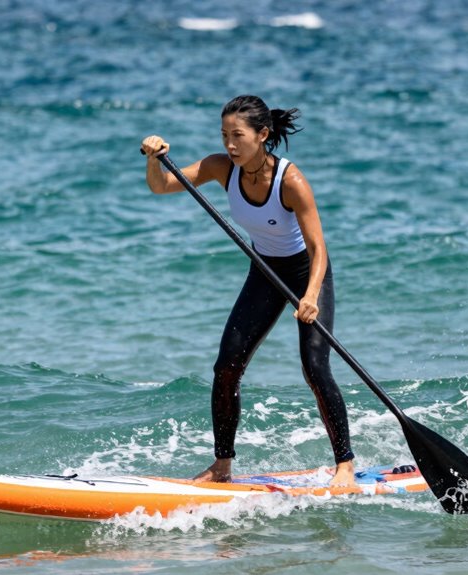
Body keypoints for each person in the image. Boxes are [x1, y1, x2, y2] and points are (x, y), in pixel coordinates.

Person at [140, 95, 356, 488]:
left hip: (308, 273)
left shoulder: (290, 181)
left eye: (237, 136)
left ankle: (345, 466)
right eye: (224, 135)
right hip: (265, 271)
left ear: (262, 135)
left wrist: (309, 296)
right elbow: (162, 186)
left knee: (314, 365)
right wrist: (153, 159)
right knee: (226, 366)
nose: (229, 145)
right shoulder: (222, 168)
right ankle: (221, 466)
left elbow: (318, 248)